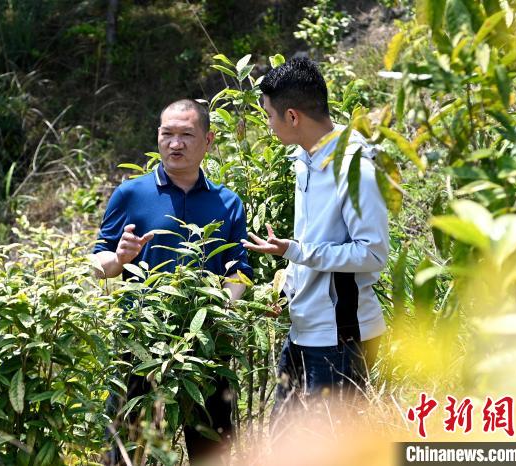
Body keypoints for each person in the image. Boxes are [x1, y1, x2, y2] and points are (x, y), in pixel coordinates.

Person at [93, 99, 253, 464]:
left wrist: (220, 309)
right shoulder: (131, 194)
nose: (175, 144)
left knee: (211, 450)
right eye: (167, 134)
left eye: (186, 135)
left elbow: (239, 269)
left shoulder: (228, 203)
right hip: (140, 344)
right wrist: (118, 258)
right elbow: (97, 263)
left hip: (207, 349)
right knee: (125, 449)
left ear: (208, 140)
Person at [241, 57, 389, 429]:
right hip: (304, 328)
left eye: (269, 116)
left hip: (340, 338)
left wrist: (295, 251)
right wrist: (288, 286)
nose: (268, 126)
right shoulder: (305, 158)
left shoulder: (354, 167)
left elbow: (373, 252)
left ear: (292, 117)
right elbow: (316, 235)